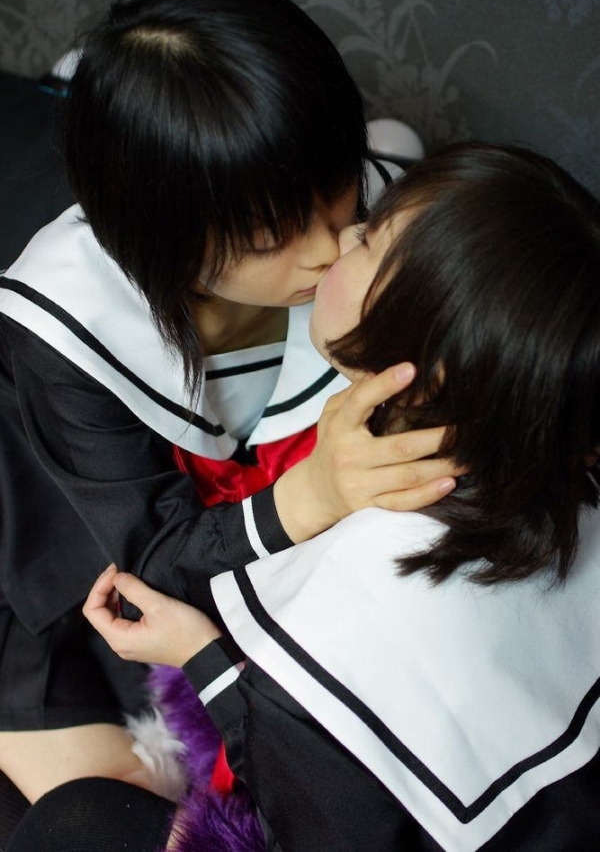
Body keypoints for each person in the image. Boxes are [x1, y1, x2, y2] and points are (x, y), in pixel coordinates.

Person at [15, 141, 600, 852]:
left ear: (426, 373)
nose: (341, 240)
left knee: (72, 821)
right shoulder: (561, 464)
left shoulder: (359, 600)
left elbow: (308, 815)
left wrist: (204, 658)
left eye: (369, 242)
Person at [0, 0, 457, 821]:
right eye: (273, 234)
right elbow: (145, 566)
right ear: (159, 238)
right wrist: (311, 495)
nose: (328, 249)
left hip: (262, 547)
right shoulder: (65, 323)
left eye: (336, 194)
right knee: (115, 807)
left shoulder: (368, 225)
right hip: (81, 562)